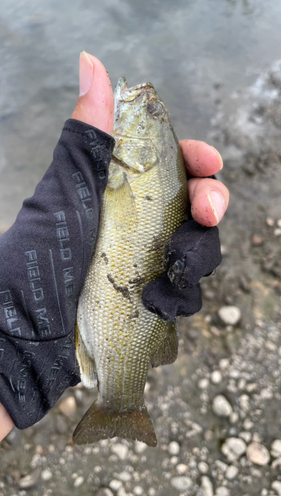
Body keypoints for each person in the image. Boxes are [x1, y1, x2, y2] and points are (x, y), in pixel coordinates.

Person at [0, 53, 229, 442]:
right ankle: (121, 404)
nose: (146, 101)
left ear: (149, 153)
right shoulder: (118, 168)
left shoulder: (118, 169)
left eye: (152, 110)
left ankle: (121, 404)